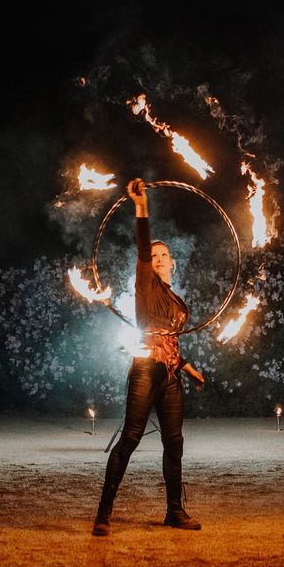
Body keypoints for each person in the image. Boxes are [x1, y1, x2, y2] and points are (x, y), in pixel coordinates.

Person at [92, 177, 204, 536]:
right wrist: (141, 208)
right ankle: (104, 513)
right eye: (152, 255)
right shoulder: (146, 284)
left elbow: (170, 337)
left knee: (174, 441)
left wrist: (186, 366)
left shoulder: (176, 301)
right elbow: (142, 245)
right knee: (132, 436)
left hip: (170, 372)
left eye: (163, 255)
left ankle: (174, 511)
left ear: (173, 263)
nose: (156, 258)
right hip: (145, 367)